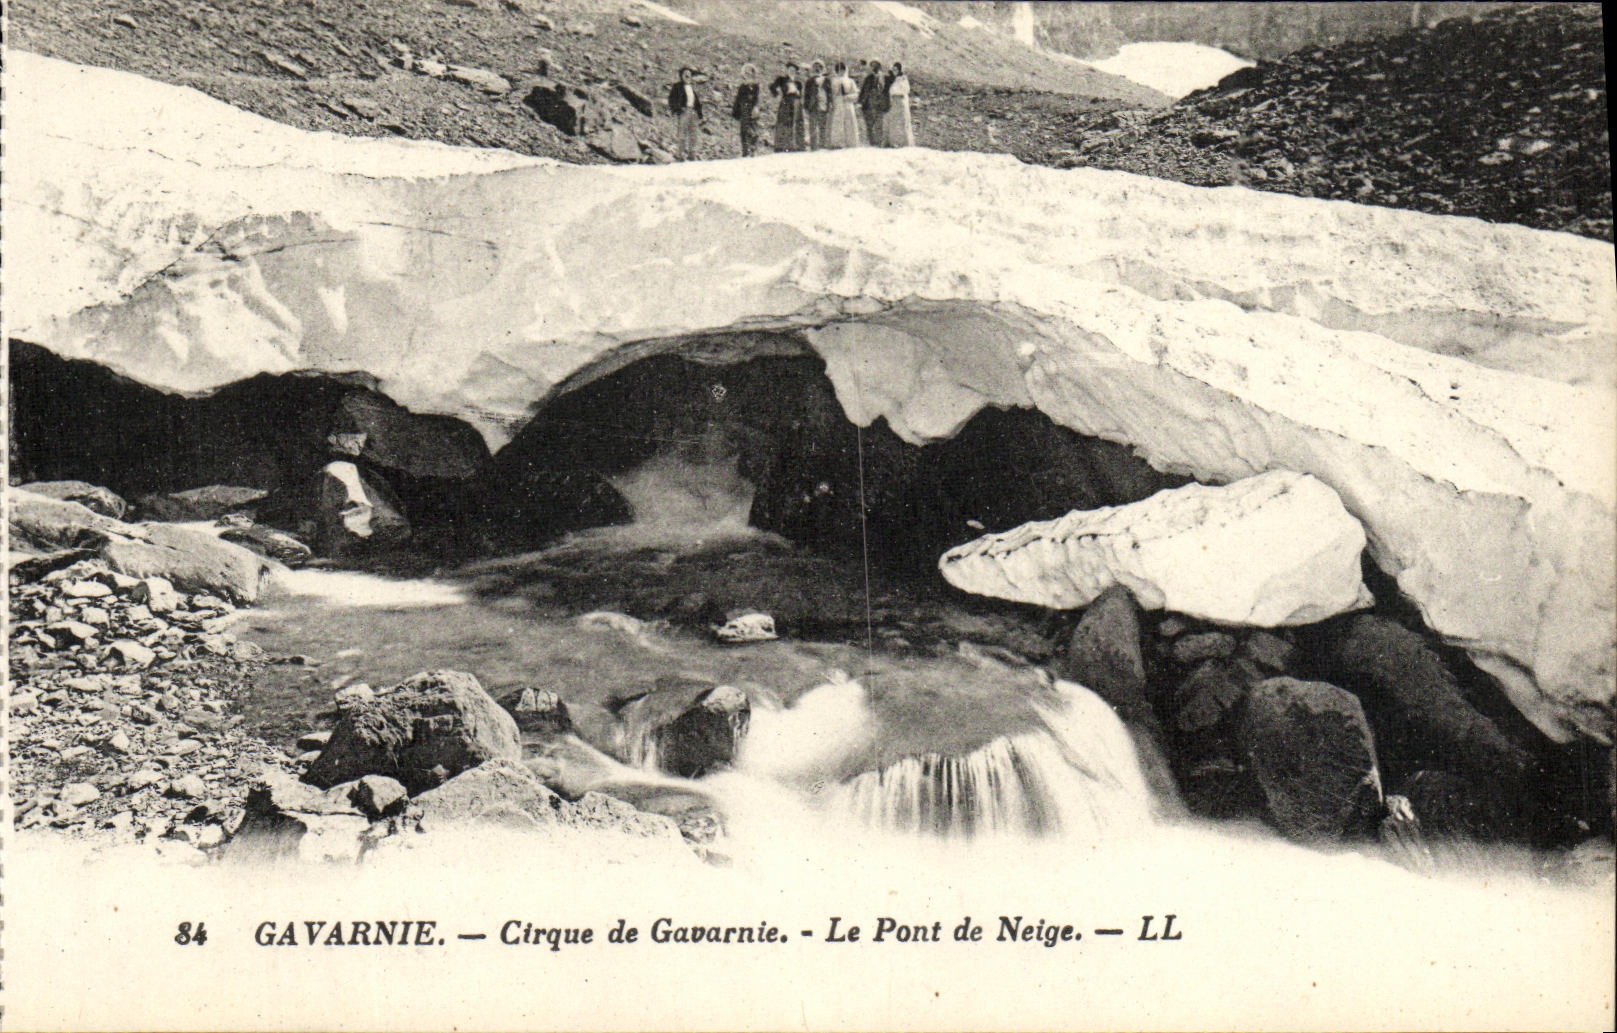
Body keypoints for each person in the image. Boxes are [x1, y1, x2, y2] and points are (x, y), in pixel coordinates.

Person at [769, 61, 806, 152]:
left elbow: (800, 95)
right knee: (784, 122)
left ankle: (797, 145)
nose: (792, 71)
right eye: (790, 69)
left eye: (794, 70)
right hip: (786, 102)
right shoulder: (782, 79)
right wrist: (776, 94)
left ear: (796, 71)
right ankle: (782, 145)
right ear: (787, 70)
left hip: (796, 103)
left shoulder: (798, 83)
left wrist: (798, 93)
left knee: (797, 122)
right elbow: (772, 86)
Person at [667, 67, 703, 161]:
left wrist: (699, 114)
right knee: (682, 133)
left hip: (693, 112)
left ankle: (692, 155)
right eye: (685, 74)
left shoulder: (691, 87)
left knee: (693, 134)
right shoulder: (677, 86)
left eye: (689, 74)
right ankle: (679, 155)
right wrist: (678, 108)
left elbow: (697, 102)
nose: (687, 76)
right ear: (681, 76)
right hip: (684, 112)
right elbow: (672, 99)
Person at [826, 61, 861, 149]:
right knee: (837, 123)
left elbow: (856, 94)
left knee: (849, 123)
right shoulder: (833, 81)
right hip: (837, 103)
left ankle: (851, 142)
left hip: (847, 104)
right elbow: (830, 93)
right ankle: (837, 143)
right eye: (839, 70)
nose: (841, 72)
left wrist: (848, 97)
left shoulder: (850, 81)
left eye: (842, 70)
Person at [731, 64, 761, 156]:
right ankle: (745, 150)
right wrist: (736, 112)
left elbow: (756, 99)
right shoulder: (742, 87)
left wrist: (756, 107)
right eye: (746, 74)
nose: (749, 76)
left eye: (750, 74)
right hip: (744, 110)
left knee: (754, 129)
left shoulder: (756, 87)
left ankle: (753, 148)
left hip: (752, 110)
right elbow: (738, 100)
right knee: (744, 130)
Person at [859, 60, 890, 148]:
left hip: (879, 103)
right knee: (869, 123)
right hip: (869, 103)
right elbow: (864, 90)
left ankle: (879, 142)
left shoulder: (884, 77)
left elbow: (886, 91)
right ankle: (871, 142)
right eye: (872, 65)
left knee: (879, 123)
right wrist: (862, 101)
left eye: (875, 65)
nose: (873, 67)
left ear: (879, 66)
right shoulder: (868, 78)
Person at [883, 61, 913, 147]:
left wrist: (897, 92)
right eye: (893, 70)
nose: (894, 71)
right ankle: (894, 142)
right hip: (894, 102)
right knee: (894, 122)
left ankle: (903, 143)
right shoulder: (892, 79)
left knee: (902, 122)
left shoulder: (903, 78)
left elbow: (906, 90)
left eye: (896, 69)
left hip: (901, 102)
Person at [804, 60, 831, 150]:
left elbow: (830, 93)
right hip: (813, 105)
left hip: (824, 105)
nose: (818, 69)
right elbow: (806, 95)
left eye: (820, 67)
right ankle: (814, 147)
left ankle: (823, 145)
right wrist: (806, 107)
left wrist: (830, 104)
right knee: (813, 126)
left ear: (823, 69)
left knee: (823, 125)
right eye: (816, 67)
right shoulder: (809, 81)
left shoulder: (827, 80)